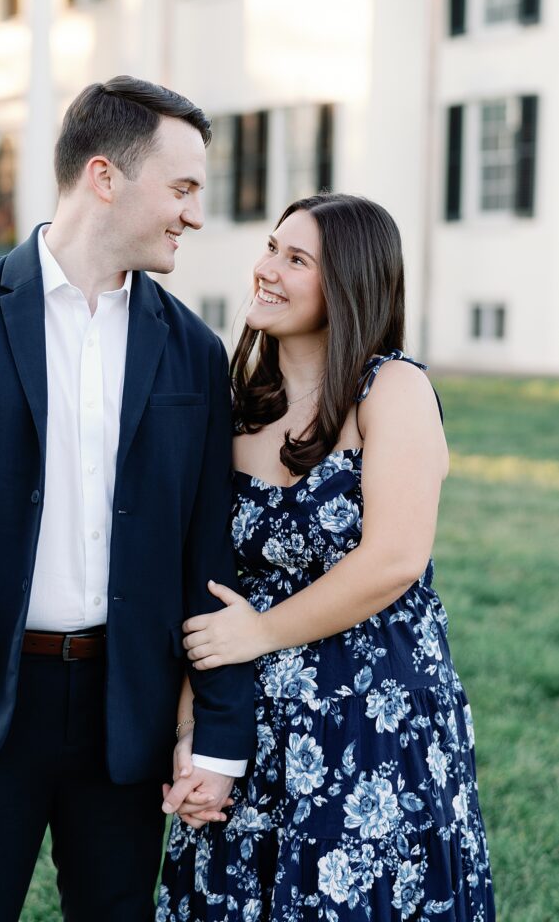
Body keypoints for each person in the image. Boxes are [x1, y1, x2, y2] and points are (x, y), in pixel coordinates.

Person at [0, 76, 254, 922]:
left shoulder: (191, 350)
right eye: (182, 188)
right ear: (105, 176)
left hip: (128, 712)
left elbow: (206, 556)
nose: (194, 215)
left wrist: (215, 730)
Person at [157, 194, 495, 921]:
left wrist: (261, 631)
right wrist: (193, 737)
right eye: (270, 248)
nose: (266, 269)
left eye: (296, 259)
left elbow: (395, 559)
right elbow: (206, 588)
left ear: (346, 284)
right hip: (252, 723)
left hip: (373, 719)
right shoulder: (235, 409)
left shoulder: (391, 388)